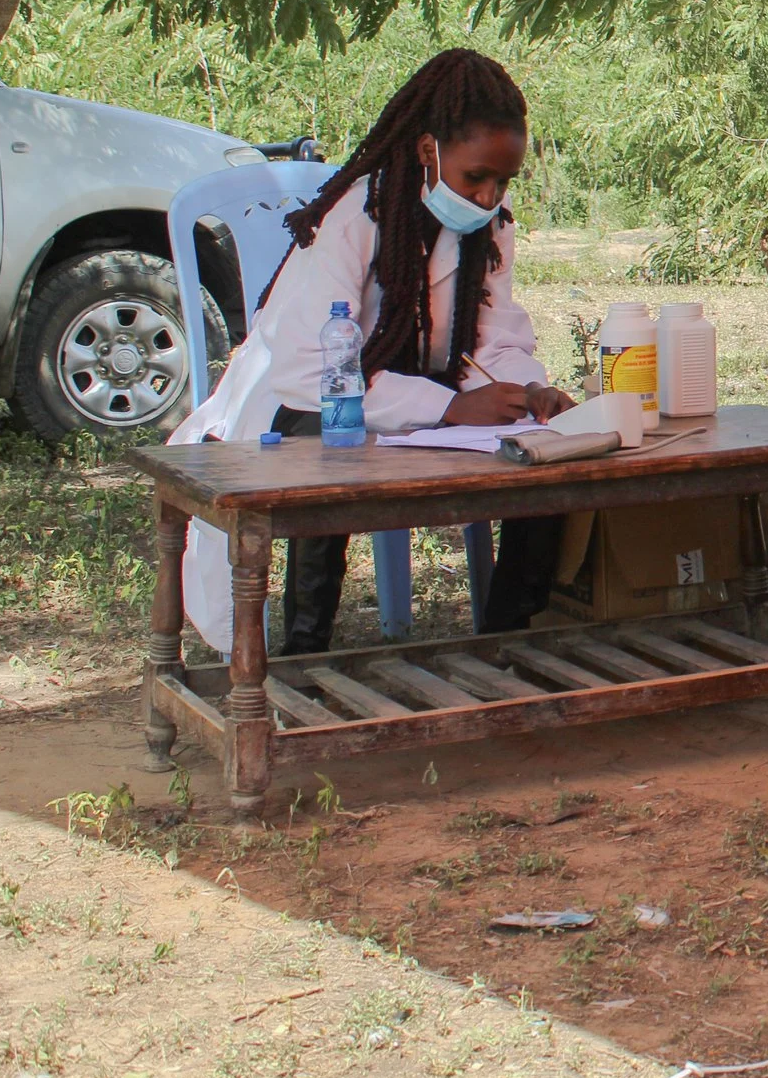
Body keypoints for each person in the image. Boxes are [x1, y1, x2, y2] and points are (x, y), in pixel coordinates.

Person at [173, 50, 575, 656]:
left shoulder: (490, 224)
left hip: (416, 403)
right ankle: (307, 650)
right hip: (298, 401)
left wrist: (527, 390)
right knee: (325, 448)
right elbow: (308, 373)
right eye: (476, 178)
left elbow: (496, 337)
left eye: (503, 182)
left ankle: (506, 641)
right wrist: (446, 409)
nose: (490, 196)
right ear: (427, 152)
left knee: (545, 451)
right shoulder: (356, 214)